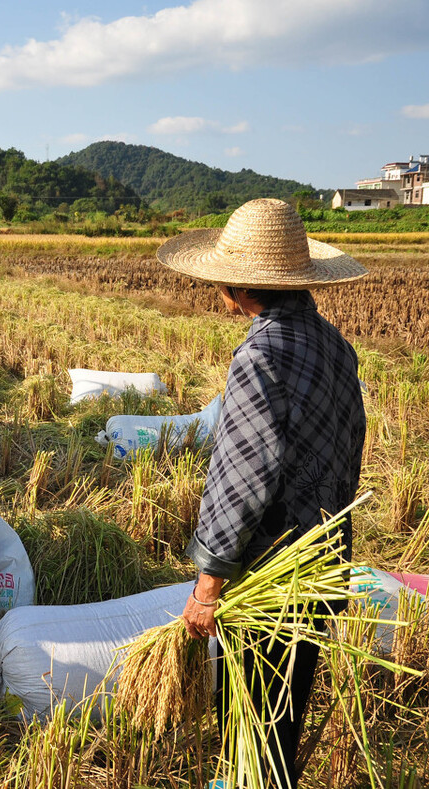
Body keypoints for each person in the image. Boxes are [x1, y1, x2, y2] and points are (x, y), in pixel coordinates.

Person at [157, 198, 367, 789]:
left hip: (271, 576)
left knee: (248, 727)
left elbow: (242, 477)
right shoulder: (334, 346)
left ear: (240, 286)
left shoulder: (260, 355)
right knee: (281, 727)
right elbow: (349, 447)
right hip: (322, 564)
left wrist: (208, 582)